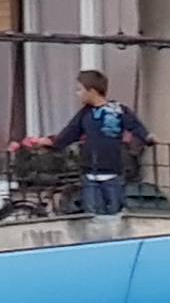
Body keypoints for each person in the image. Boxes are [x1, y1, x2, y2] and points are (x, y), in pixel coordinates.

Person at [52, 68, 149, 217]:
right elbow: (70, 132)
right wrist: (53, 143)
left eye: (79, 89)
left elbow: (135, 126)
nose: (77, 94)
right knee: (93, 216)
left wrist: (146, 137)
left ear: (91, 91)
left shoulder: (118, 110)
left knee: (115, 215)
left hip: (113, 173)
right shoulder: (85, 113)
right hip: (90, 173)